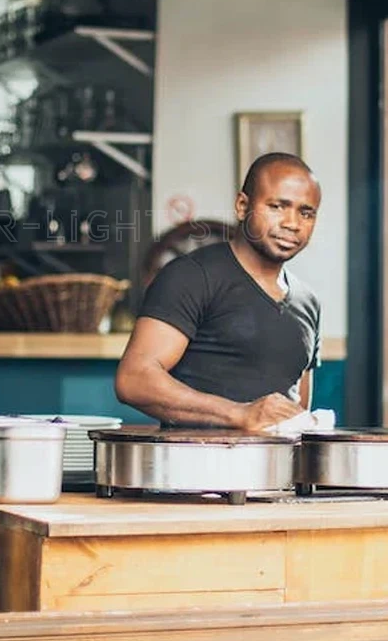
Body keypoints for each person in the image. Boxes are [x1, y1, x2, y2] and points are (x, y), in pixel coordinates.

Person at [115, 152, 322, 431]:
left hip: (278, 472)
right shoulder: (191, 276)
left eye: (306, 213)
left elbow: (295, 409)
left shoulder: (308, 302)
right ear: (241, 206)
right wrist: (238, 414)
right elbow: (134, 379)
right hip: (194, 469)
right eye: (277, 207)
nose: (292, 223)